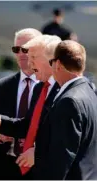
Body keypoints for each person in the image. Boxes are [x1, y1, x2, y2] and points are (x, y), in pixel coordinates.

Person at [0, 35, 62, 179]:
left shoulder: (65, 91)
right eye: (17, 50)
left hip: (41, 169)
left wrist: (38, 152)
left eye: (31, 55)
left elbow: (67, 138)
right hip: (6, 162)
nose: (27, 60)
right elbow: (26, 125)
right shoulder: (38, 88)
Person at [30, 40, 97, 179]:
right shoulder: (90, 92)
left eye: (51, 62)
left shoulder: (69, 101)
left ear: (58, 64)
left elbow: (61, 158)